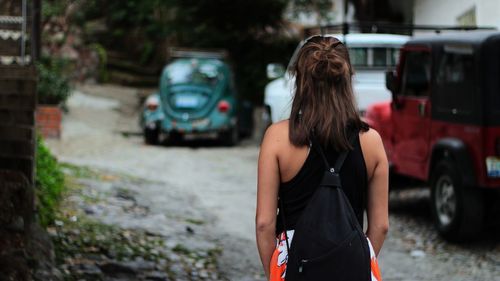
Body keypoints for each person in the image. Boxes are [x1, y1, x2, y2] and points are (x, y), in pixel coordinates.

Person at [255, 35, 389, 280]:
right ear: (347, 81)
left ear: (301, 82)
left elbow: (264, 224)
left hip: (296, 265)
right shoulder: (372, 141)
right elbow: (380, 226)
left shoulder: (277, 137)